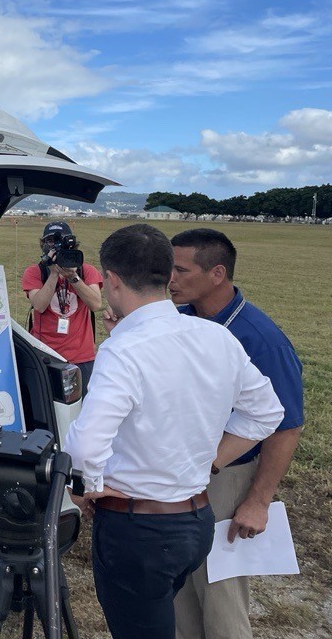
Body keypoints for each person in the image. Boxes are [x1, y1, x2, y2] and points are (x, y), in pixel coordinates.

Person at [64, 224, 284, 639]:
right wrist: (207, 461)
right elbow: (266, 413)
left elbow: (85, 444)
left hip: (138, 529)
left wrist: (85, 486)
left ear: (111, 280)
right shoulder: (216, 337)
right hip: (195, 519)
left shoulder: (123, 350)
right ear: (166, 276)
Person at [169, 229, 304, 639]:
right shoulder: (183, 319)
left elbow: (286, 427)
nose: (169, 279)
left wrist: (258, 501)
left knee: (221, 597)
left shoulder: (260, 340)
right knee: (179, 592)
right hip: (181, 472)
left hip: (226, 478)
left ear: (217, 273)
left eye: (179, 269)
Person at [23, 221, 103, 387]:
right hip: (45, 355)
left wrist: (73, 277)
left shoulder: (86, 271)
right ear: (43, 245)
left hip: (81, 357)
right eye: (50, 241)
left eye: (62, 241)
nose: (56, 245)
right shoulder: (34, 272)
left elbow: (96, 304)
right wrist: (53, 274)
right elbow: (39, 305)